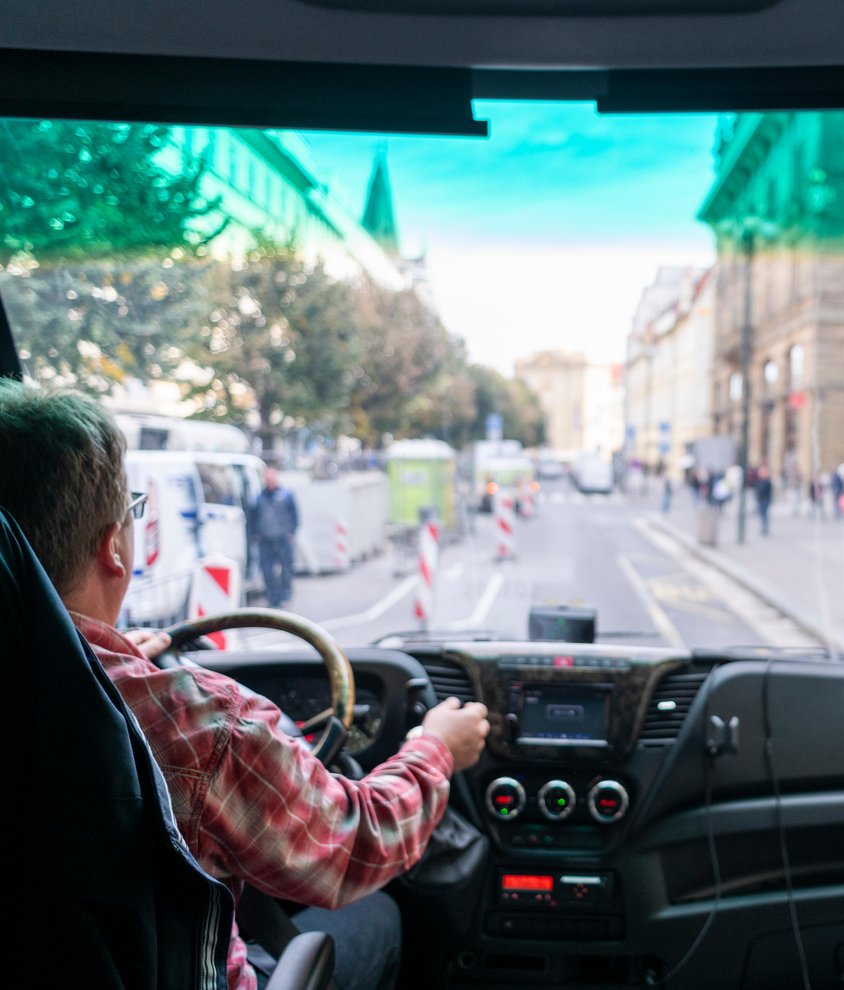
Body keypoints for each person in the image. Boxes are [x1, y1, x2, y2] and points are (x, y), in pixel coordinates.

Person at [0, 380, 491, 990]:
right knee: (379, 915)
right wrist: (437, 748)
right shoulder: (197, 721)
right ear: (114, 549)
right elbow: (358, 846)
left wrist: (116, 659)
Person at [251, 467, 299, 607]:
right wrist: (255, 534)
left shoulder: (286, 495)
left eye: (271, 479)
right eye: (267, 479)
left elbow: (294, 515)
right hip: (265, 539)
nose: (269, 482)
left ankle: (285, 595)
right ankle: (273, 597)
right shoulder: (259, 498)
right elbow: (253, 517)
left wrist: (292, 532)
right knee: (267, 570)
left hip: (283, 538)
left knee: (286, 568)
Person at [753, 464, 774, 536]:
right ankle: (763, 527)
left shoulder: (767, 481)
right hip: (760, 499)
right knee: (762, 514)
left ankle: (764, 527)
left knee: (763, 514)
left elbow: (766, 491)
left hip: (765, 500)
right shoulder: (759, 481)